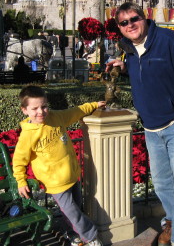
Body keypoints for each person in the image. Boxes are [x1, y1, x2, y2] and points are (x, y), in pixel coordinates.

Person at [105, 2, 174, 246]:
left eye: (134, 18)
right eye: (124, 22)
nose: (131, 25)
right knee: (161, 185)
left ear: (145, 17)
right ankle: (172, 221)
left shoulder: (169, 41)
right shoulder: (129, 49)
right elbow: (149, 71)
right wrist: (125, 68)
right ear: (119, 27)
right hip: (151, 128)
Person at [13, 86, 106, 246]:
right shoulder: (27, 134)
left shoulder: (57, 117)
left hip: (72, 175)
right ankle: (91, 238)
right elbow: (19, 160)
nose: (41, 112)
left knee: (75, 210)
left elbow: (75, 111)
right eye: (34, 108)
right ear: (24, 110)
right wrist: (21, 181)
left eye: (44, 106)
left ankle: (73, 236)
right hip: (55, 183)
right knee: (72, 212)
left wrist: (94, 105)